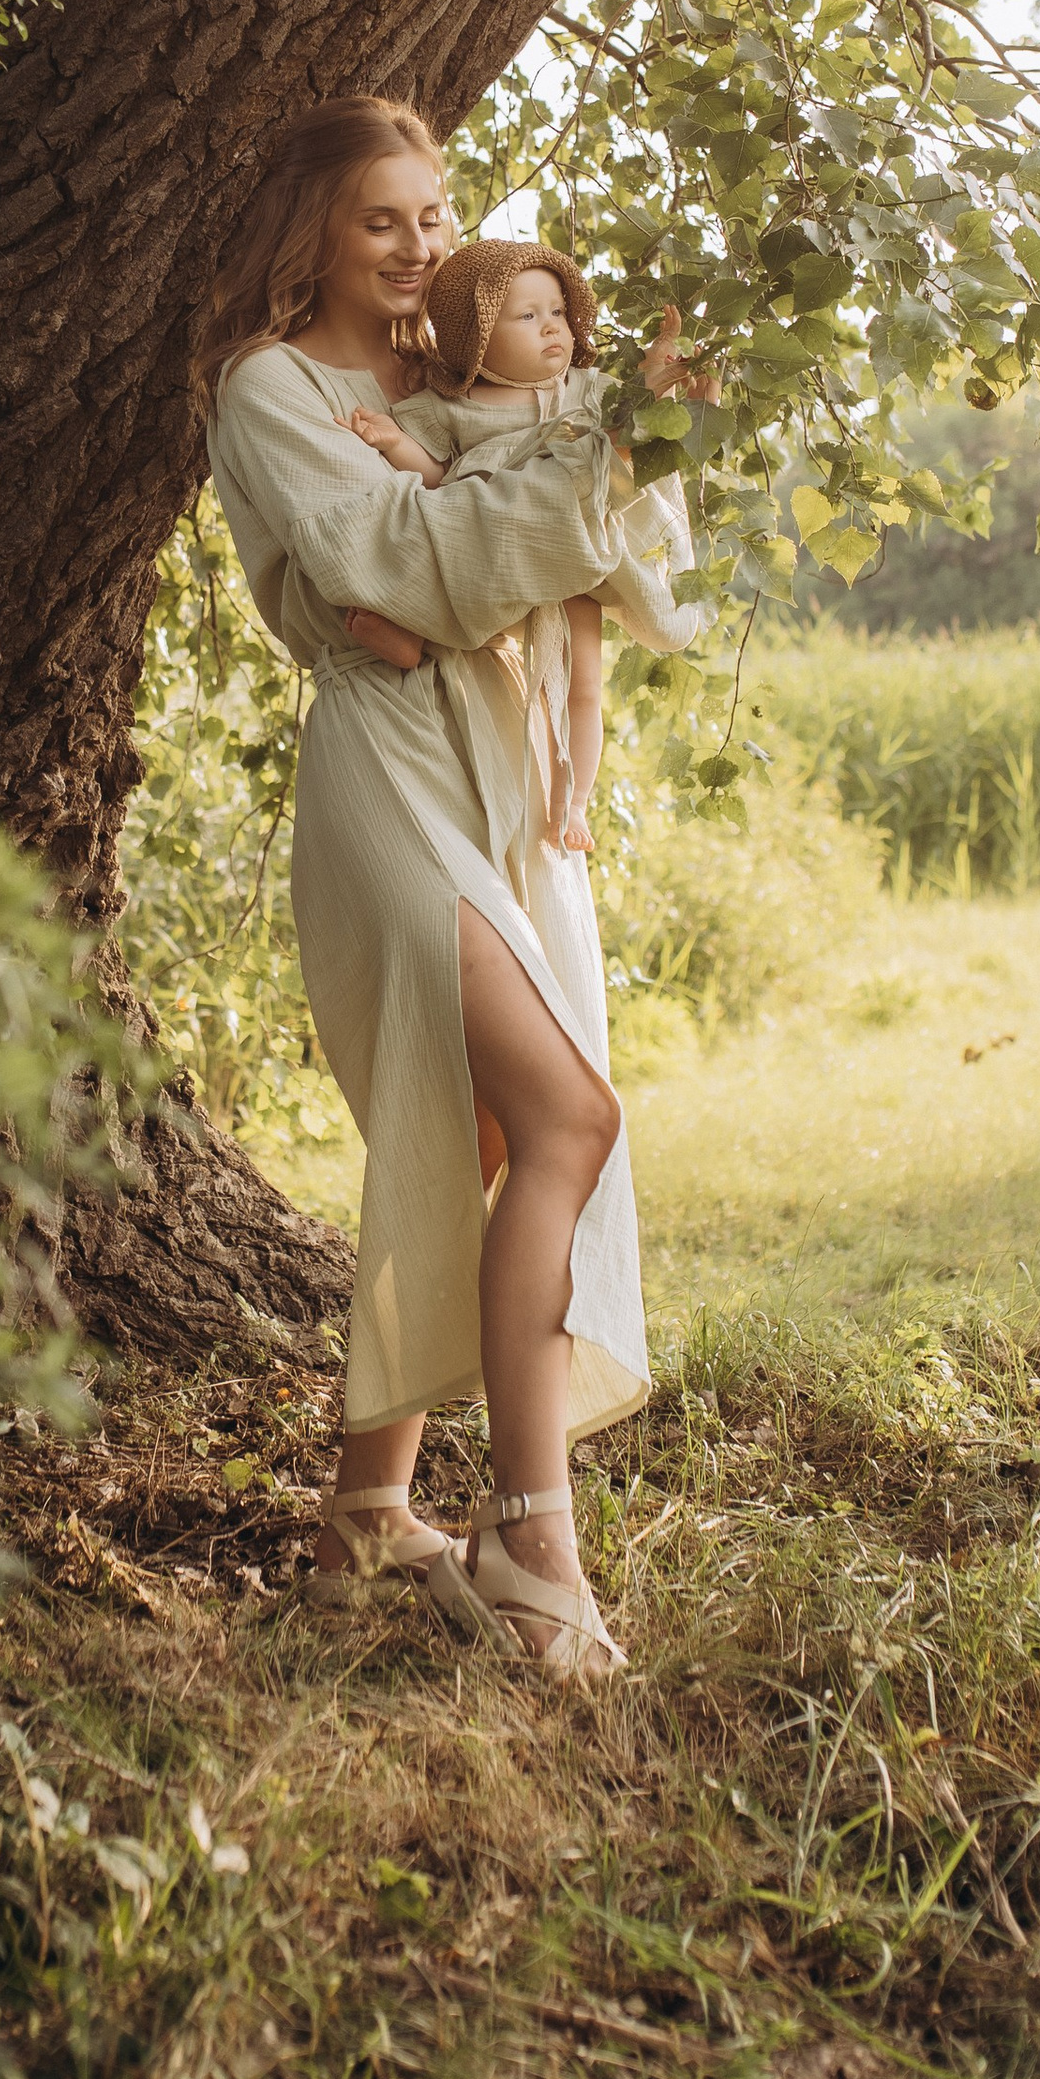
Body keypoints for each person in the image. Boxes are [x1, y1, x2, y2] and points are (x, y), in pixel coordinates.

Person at [197, 100, 705, 1677]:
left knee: (478, 1128)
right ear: (314, 237)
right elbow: (403, 575)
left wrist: (568, 482)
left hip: (501, 763)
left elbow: (622, 564)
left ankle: (368, 1516)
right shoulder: (273, 389)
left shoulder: (458, 370)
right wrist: (490, 531)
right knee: (570, 1118)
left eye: (435, 214)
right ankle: (533, 1539)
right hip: (390, 779)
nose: (421, 246)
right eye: (381, 222)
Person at [344, 234, 698, 861]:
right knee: (466, 604)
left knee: (583, 687)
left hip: (576, 563)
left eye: (558, 312)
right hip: (498, 554)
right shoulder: (455, 407)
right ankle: (416, 638)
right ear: (474, 334)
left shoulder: (586, 391)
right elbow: (429, 474)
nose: (551, 329)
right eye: (527, 316)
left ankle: (575, 799)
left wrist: (660, 381)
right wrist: (389, 441)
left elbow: (635, 431)